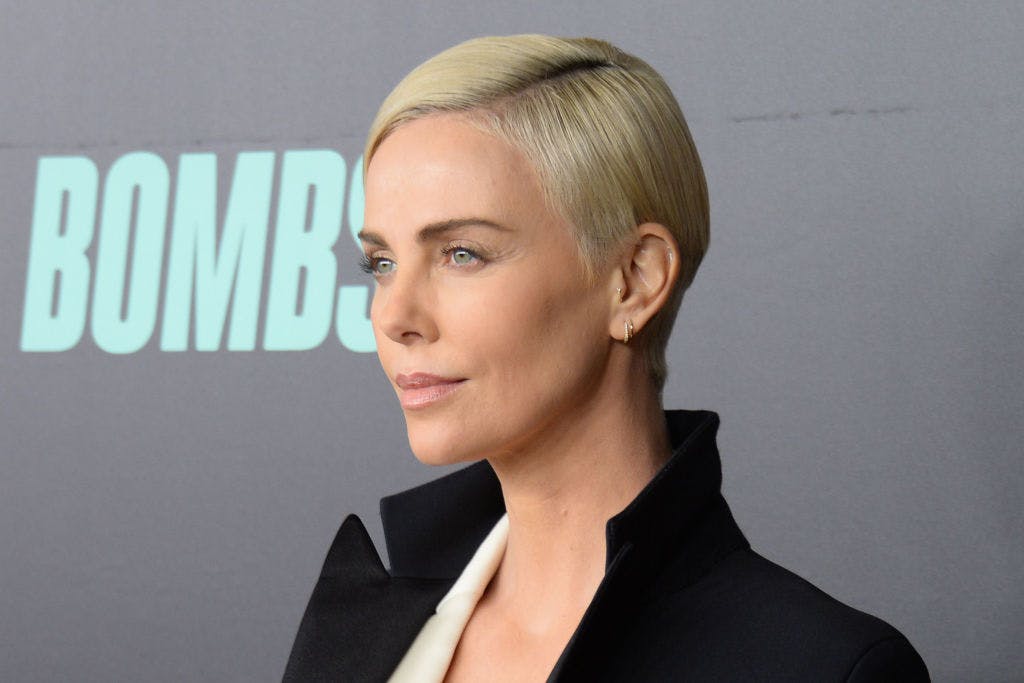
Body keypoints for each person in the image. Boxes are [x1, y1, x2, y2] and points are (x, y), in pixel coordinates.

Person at [283, 34, 929, 682]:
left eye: (462, 254)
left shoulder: (818, 667)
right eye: (381, 263)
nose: (393, 316)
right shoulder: (358, 628)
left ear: (635, 280)